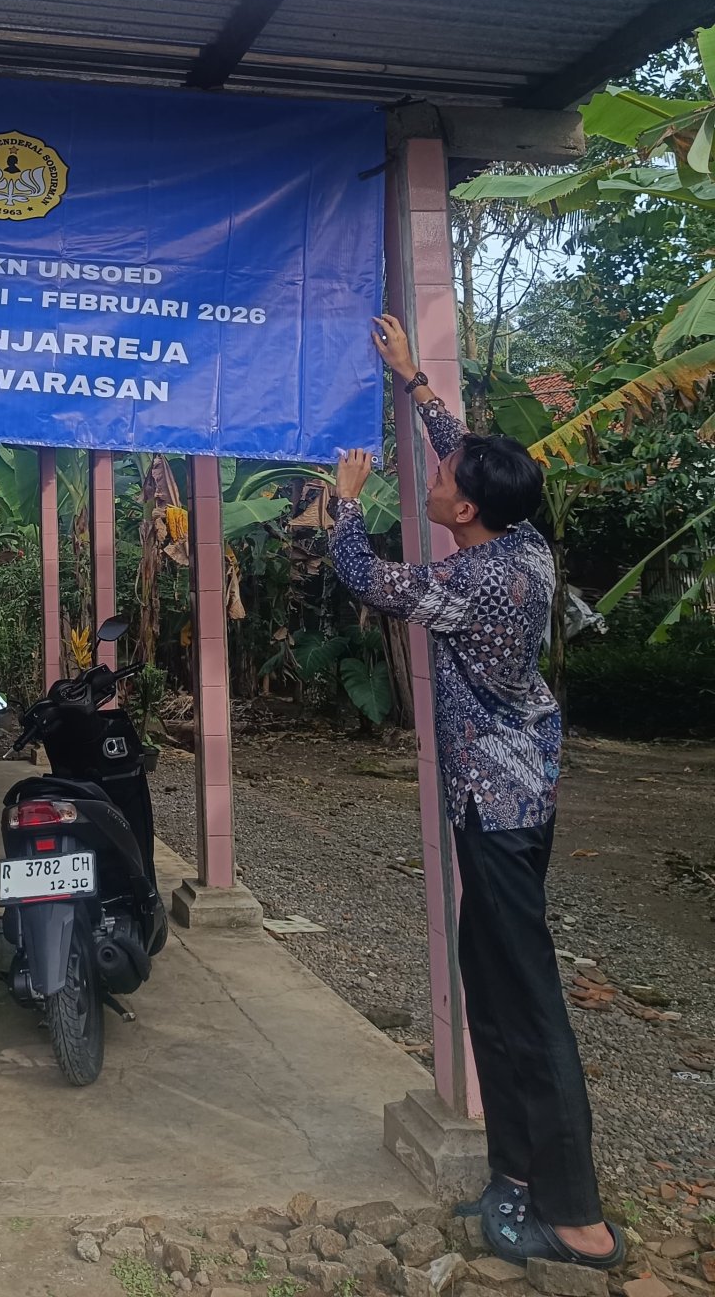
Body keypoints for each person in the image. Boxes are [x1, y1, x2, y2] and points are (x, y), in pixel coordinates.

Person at [330, 315, 622, 1274]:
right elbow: (467, 453)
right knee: (490, 984)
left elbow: (366, 577)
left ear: (463, 516)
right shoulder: (522, 540)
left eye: (444, 486)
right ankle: (516, 1180)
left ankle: (575, 1217)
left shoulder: (475, 584)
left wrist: (342, 504)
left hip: (497, 811)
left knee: (527, 996)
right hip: (513, 795)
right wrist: (414, 383)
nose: (437, 479)